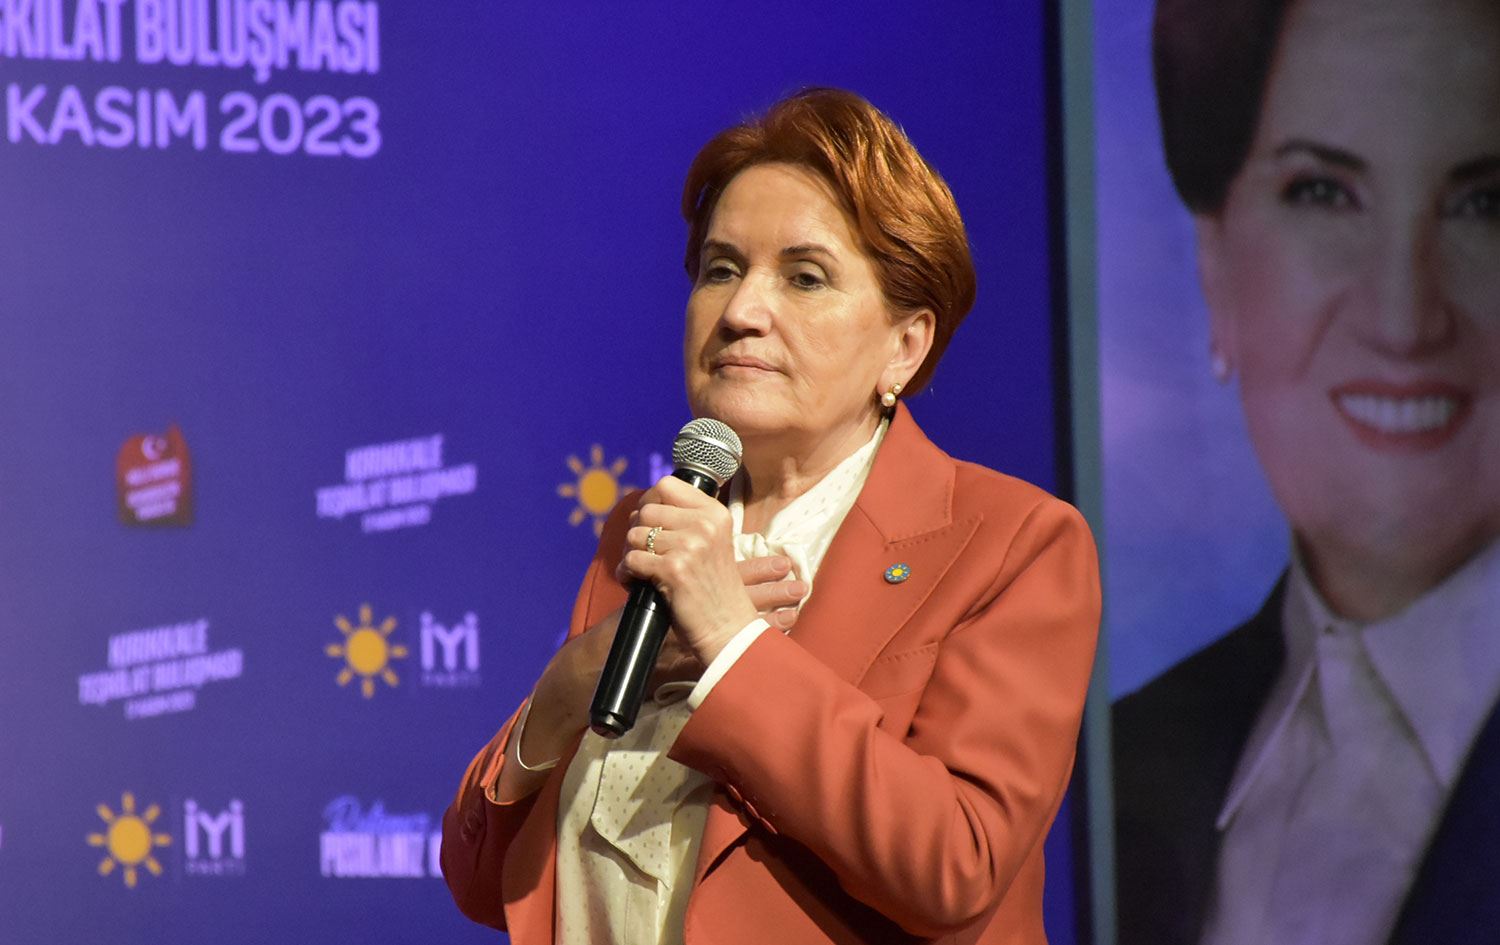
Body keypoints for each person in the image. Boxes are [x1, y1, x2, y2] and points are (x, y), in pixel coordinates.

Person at [440, 88, 1100, 945]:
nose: (742, 312)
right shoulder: (649, 527)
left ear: (904, 346)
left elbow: (957, 863)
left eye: (804, 276)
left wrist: (730, 640)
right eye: (721, 269)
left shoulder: (1013, 542)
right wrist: (568, 688)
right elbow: (480, 877)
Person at [1113, 0, 1500, 943]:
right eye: (1324, 192)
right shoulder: (1116, 770)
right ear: (1214, 262)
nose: (1405, 318)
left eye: (1484, 203)